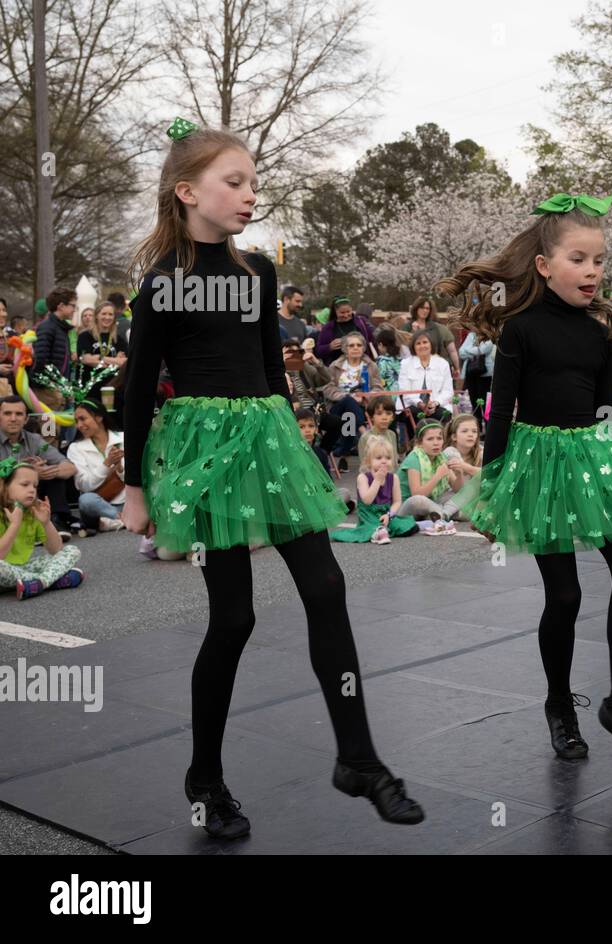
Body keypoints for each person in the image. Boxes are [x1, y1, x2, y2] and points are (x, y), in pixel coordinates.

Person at [119, 116, 422, 840]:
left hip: (268, 439)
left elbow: (267, 371)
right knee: (234, 618)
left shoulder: (257, 273)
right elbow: (135, 387)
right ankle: (206, 774)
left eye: (254, 182)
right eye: (235, 182)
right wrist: (134, 486)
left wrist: (296, 449)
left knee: (326, 585)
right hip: (206, 451)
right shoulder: (166, 282)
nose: (251, 194)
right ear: (188, 191)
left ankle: (358, 757)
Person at [438, 191, 612, 781]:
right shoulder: (521, 329)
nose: (592, 271)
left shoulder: (603, 330)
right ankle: (560, 705)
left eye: (600, 260)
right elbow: (499, 411)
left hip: (593, 457)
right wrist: (493, 491)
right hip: (538, 466)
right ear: (544, 266)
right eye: (579, 259)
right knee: (565, 597)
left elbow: (608, 408)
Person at [0, 457, 83, 598]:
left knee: (72, 551)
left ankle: (39, 583)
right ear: (5, 487)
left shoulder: (31, 512)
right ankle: (51, 581)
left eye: (35, 486)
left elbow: (56, 549)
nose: (32, 490)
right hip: (3, 570)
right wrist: (14, 525)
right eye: (25, 484)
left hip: (22, 568)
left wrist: (46, 523)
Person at [0, 395, 78, 536]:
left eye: (18, 414)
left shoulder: (34, 440)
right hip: (3, 494)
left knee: (53, 474)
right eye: (7, 413)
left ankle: (56, 520)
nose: (13, 418)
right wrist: (28, 471)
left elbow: (70, 467)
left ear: (26, 419)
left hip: (27, 496)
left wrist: (49, 471)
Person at [329, 437, 419, 544]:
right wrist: (377, 481)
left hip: (385, 514)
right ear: (368, 461)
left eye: (388, 458)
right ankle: (379, 532)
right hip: (368, 516)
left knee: (408, 527)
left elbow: (397, 501)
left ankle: (384, 530)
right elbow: (367, 500)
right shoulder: (363, 478)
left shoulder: (393, 478)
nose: (384, 461)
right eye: (379, 458)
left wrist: (389, 515)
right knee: (372, 528)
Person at [67, 399, 128, 534]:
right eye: (76, 421)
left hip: (128, 501)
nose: (79, 425)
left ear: (99, 417)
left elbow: (136, 479)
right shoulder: (75, 448)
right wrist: (106, 465)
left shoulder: (124, 438)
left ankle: (111, 522)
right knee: (86, 500)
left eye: (83, 419)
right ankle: (122, 519)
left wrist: (119, 468)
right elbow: (84, 486)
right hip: (98, 505)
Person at [32, 287, 78, 411]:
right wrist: (52, 385)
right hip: (48, 391)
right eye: (73, 306)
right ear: (61, 306)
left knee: (62, 429)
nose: (75, 309)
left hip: (60, 387)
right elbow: (40, 359)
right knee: (49, 429)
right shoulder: (47, 327)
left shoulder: (61, 328)